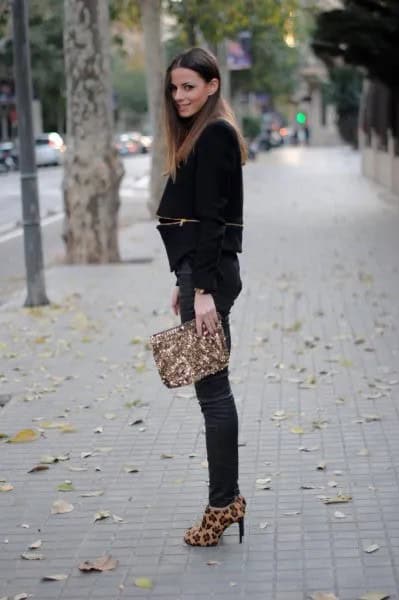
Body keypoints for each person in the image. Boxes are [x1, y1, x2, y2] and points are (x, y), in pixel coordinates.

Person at [156, 47, 247, 547]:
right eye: (174, 88)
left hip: (211, 279)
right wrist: (184, 278)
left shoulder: (214, 134)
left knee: (213, 395)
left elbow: (213, 218)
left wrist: (204, 288)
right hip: (201, 275)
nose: (180, 96)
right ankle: (224, 500)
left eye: (189, 86)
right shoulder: (207, 132)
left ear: (212, 85)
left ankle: (223, 504)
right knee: (212, 392)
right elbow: (197, 214)